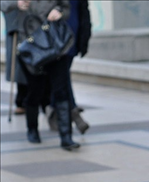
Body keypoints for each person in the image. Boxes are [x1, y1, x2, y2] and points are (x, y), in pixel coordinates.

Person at [1, 0, 80, 150]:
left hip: (55, 43)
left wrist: (59, 12)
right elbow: (3, 5)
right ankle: (32, 129)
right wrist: (16, 3)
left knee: (61, 90)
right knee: (35, 90)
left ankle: (66, 136)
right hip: (31, 46)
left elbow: (66, 9)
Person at [46, 0, 92, 135]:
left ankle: (54, 110)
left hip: (74, 34)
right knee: (62, 75)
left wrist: (84, 36)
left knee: (62, 76)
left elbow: (83, 11)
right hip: (56, 36)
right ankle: (74, 113)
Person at [2, 8, 28, 116]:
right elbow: (4, 5)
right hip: (16, 28)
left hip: (33, 27)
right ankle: (21, 101)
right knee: (19, 69)